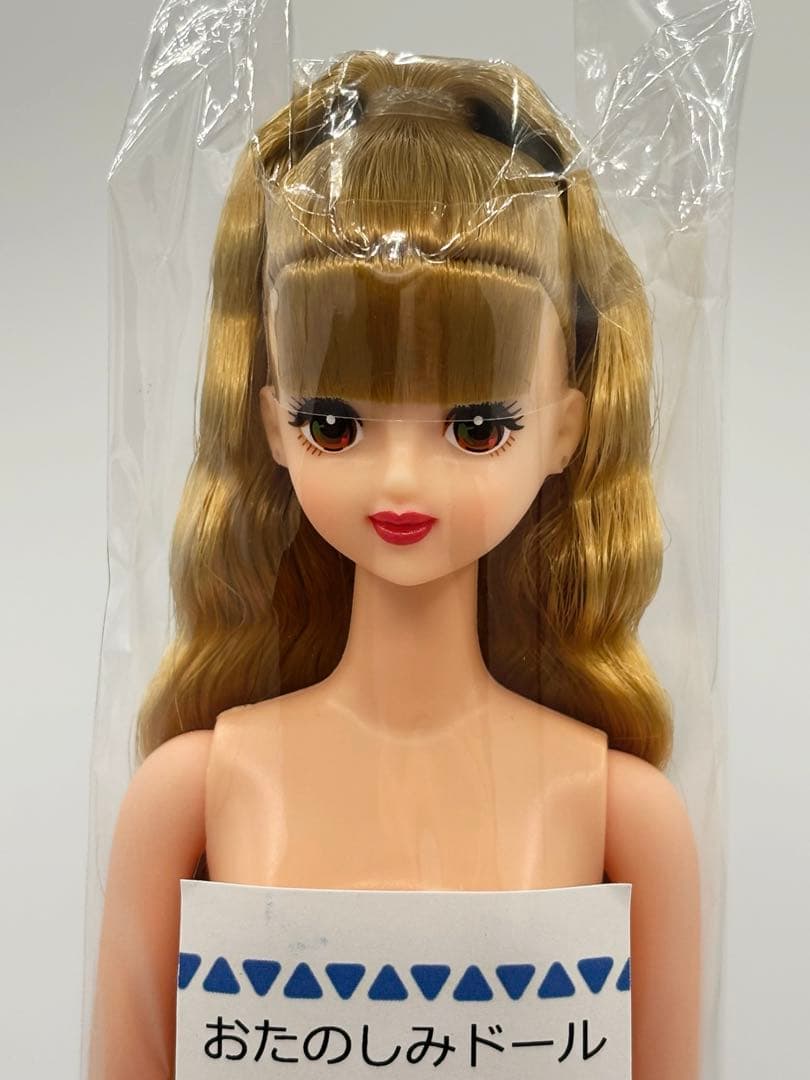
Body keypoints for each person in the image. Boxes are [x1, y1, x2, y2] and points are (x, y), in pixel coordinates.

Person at [89, 50, 700, 1079]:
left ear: (566, 430)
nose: (403, 480)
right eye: (336, 424)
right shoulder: (193, 791)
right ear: (273, 426)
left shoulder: (621, 812)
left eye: (477, 426)